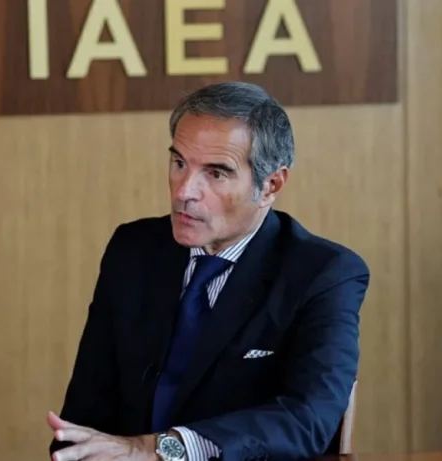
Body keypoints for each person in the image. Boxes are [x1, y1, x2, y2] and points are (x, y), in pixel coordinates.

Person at [47, 81, 370, 461]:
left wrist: (163, 449)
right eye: (179, 163)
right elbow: (87, 414)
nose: (185, 191)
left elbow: (308, 420)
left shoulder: (324, 274)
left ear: (271, 185)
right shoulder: (132, 251)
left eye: (216, 173)